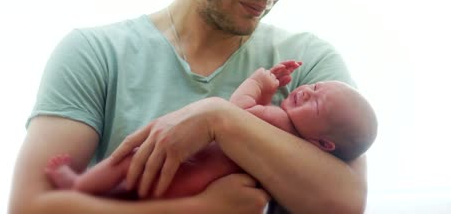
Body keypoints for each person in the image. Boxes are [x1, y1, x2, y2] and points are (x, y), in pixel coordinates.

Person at [9, 0, 371, 213]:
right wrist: (201, 208)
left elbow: (345, 202)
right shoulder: (94, 53)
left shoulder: (308, 65)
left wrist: (217, 118)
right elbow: (30, 207)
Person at [44, 60, 377, 199]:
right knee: (129, 189)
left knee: (128, 162)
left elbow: (239, 111)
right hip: (196, 185)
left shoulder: (281, 123)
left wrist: (258, 82)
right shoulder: (294, 143)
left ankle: (80, 184)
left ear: (324, 142)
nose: (306, 91)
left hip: (185, 170)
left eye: (315, 104)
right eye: (315, 86)